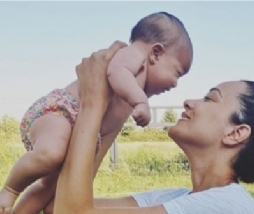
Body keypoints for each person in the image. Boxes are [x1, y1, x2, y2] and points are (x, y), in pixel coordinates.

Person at [53, 42, 254, 214]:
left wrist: (92, 104)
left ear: (236, 133)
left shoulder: (228, 207)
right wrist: (117, 111)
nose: (189, 102)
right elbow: (61, 205)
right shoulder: (181, 198)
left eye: (210, 98)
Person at [0, 11, 193, 214]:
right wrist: (140, 101)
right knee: (51, 153)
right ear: (156, 53)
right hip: (61, 111)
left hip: (77, 129)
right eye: (177, 73)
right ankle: (9, 189)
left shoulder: (130, 95)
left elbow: (105, 134)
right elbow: (116, 71)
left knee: (49, 187)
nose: (175, 84)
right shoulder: (133, 56)